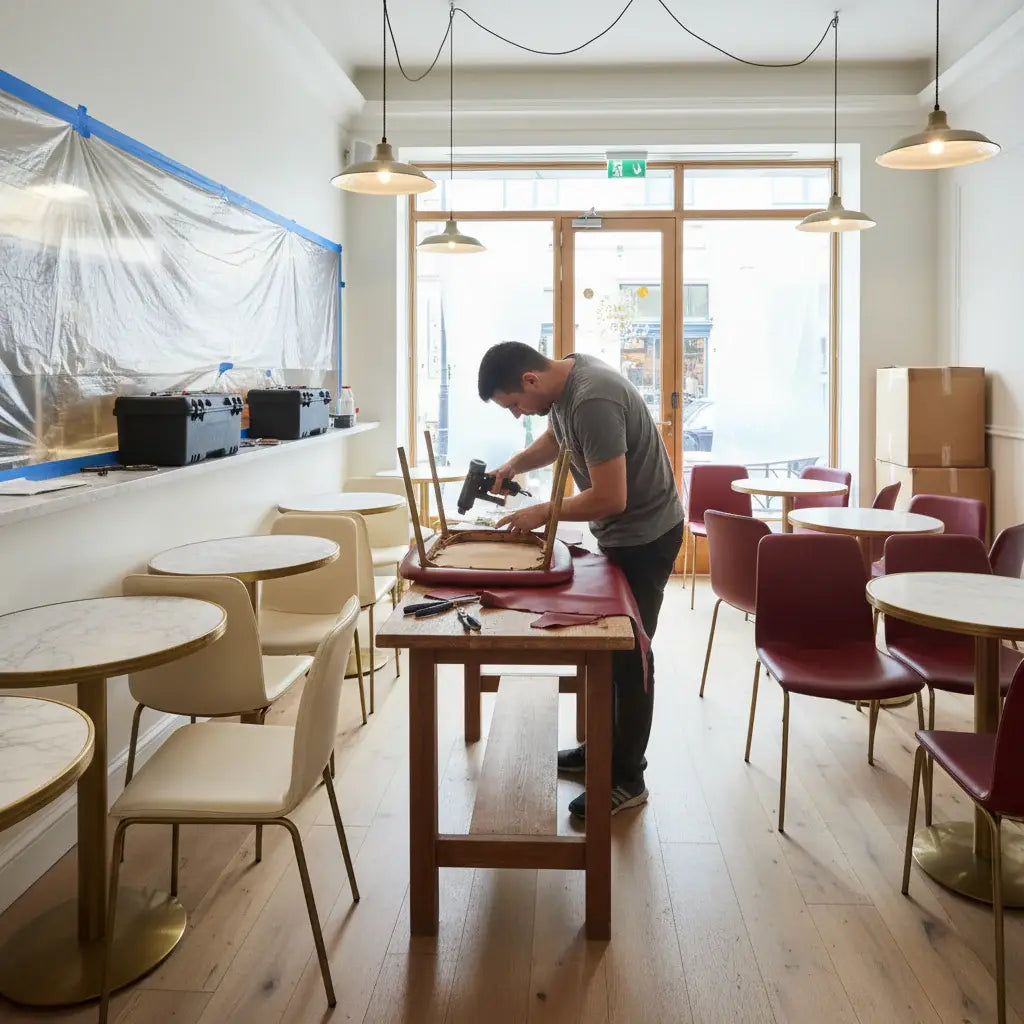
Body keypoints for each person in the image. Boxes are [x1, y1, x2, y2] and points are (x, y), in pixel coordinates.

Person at [477, 341, 684, 819]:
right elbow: (555, 439)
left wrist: (542, 512)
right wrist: (513, 466)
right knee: (609, 655)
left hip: (645, 536)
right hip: (623, 534)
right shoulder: (566, 383)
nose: (516, 415)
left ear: (531, 380)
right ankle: (601, 753)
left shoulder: (593, 398)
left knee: (631, 657)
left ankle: (629, 778)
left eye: (513, 405)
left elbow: (610, 497)